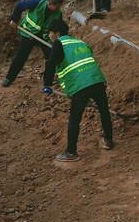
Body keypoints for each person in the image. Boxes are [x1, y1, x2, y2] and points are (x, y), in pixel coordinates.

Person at [42, 19, 114, 162]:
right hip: (97, 80)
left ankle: (71, 152)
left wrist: (47, 84)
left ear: (57, 33)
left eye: (50, 33)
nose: (49, 36)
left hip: (80, 86)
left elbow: (50, 64)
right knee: (104, 110)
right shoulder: (80, 43)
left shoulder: (59, 43)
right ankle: (108, 140)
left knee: (74, 119)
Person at [0, 0, 64, 87]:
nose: (58, 9)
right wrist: (15, 19)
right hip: (29, 34)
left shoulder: (58, 13)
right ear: (50, 4)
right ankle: (9, 78)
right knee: (21, 57)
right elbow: (19, 6)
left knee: (50, 58)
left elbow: (58, 26)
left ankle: (48, 81)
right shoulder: (37, 3)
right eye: (57, 6)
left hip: (44, 36)